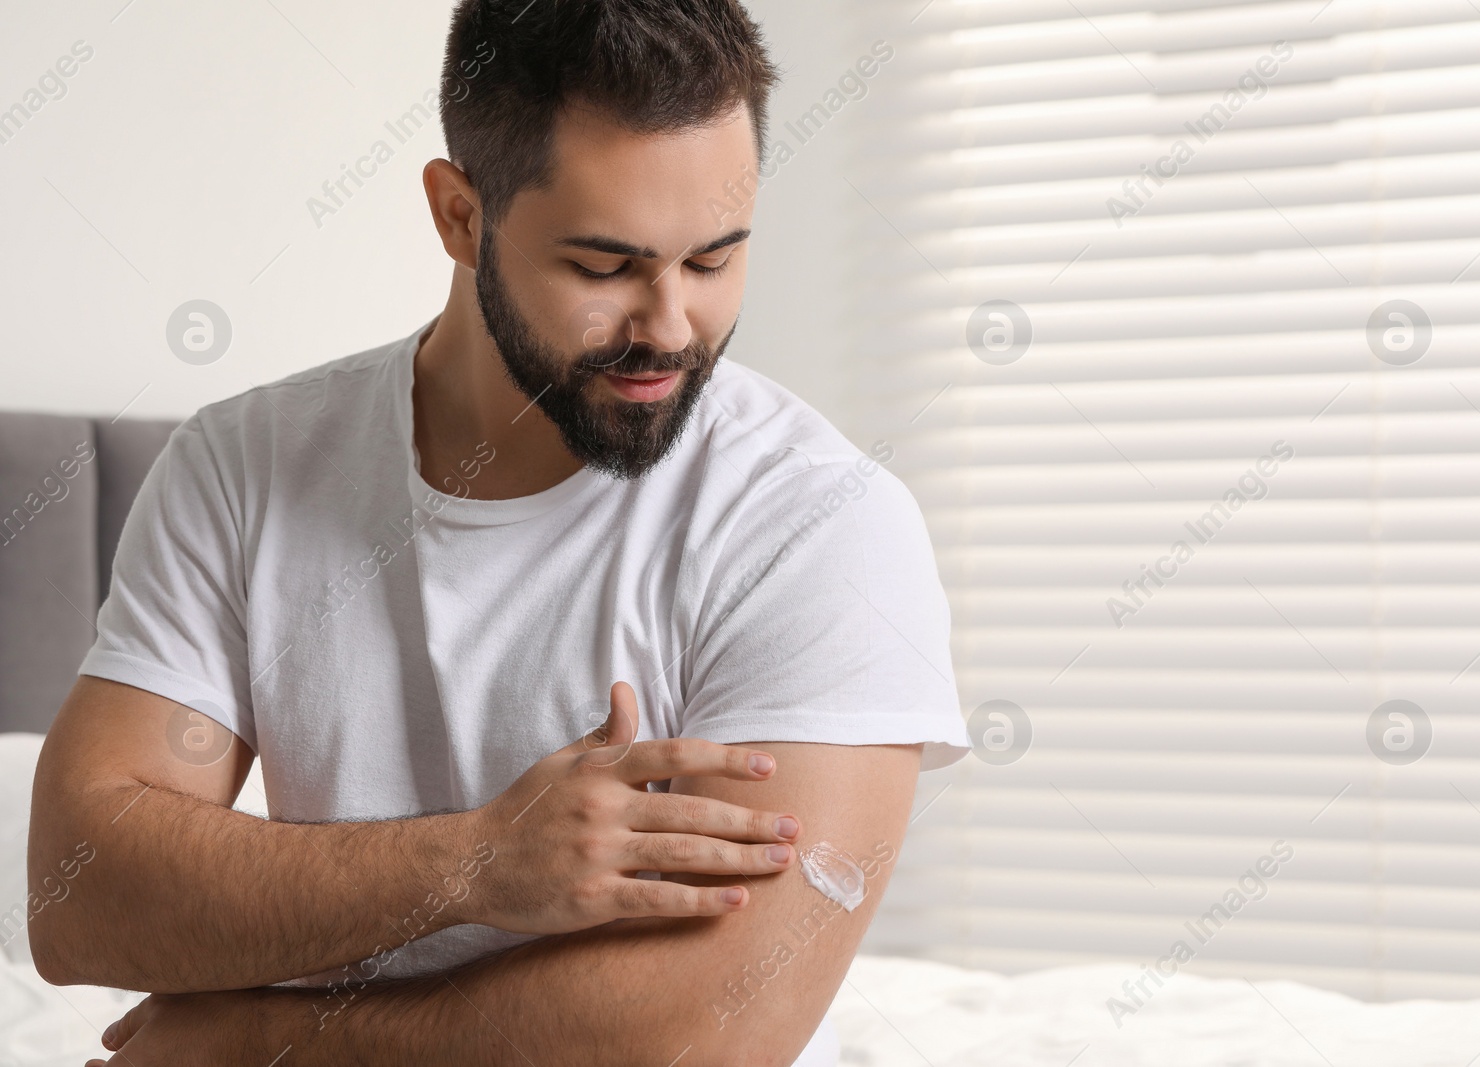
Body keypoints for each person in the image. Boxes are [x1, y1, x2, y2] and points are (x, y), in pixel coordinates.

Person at [27, 1, 968, 1063]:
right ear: (460, 215)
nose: (668, 326)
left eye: (712, 260)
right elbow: (79, 896)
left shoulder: (818, 518)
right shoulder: (246, 468)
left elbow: (714, 1029)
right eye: (606, 266)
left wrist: (262, 1043)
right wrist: (476, 861)